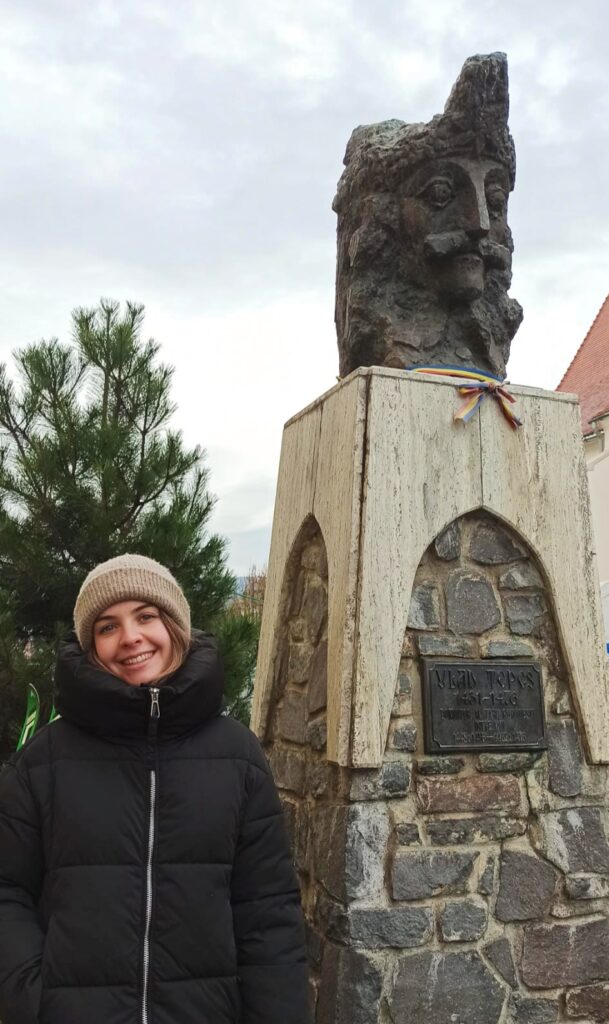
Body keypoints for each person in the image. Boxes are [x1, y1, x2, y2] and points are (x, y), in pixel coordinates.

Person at [0, 554, 311, 1024]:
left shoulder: (237, 756)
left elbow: (267, 912)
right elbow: (8, 891)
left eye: (146, 616)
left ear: (175, 627)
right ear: (91, 647)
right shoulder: (45, 761)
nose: (130, 638)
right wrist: (33, 999)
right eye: (107, 627)